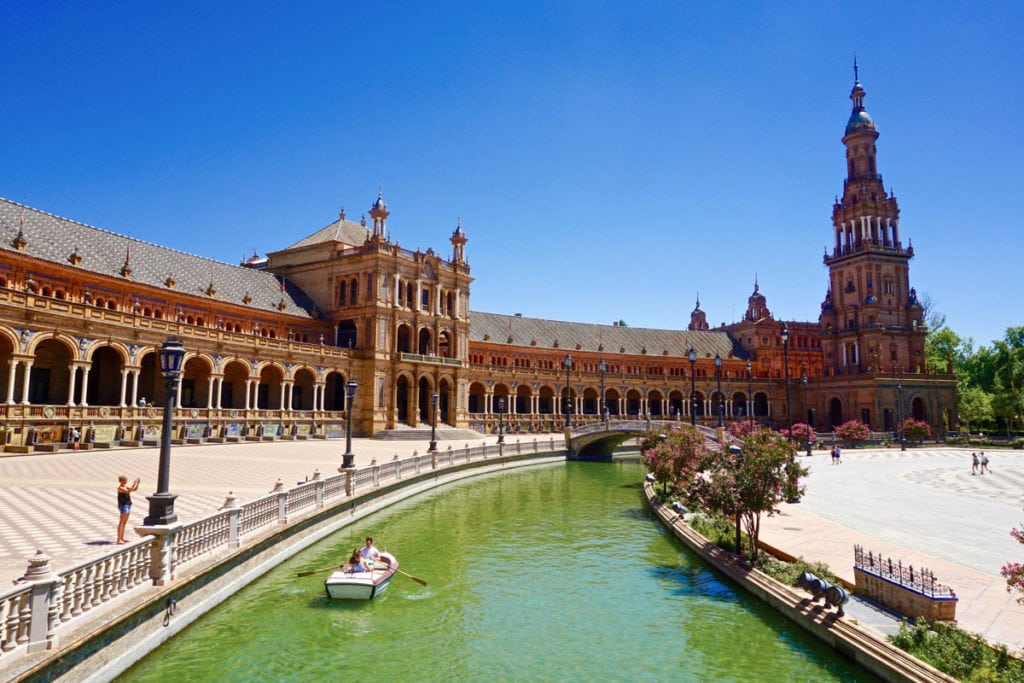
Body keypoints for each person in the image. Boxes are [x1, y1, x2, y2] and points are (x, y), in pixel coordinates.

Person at [116, 475, 141, 543]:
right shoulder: (120, 488)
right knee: (121, 522)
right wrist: (133, 484)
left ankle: (122, 538)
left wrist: (137, 484)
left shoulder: (125, 487)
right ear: (121, 481)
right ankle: (118, 539)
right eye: (125, 480)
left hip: (128, 504)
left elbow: (134, 489)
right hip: (123, 505)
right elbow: (127, 491)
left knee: (124, 523)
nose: (126, 481)